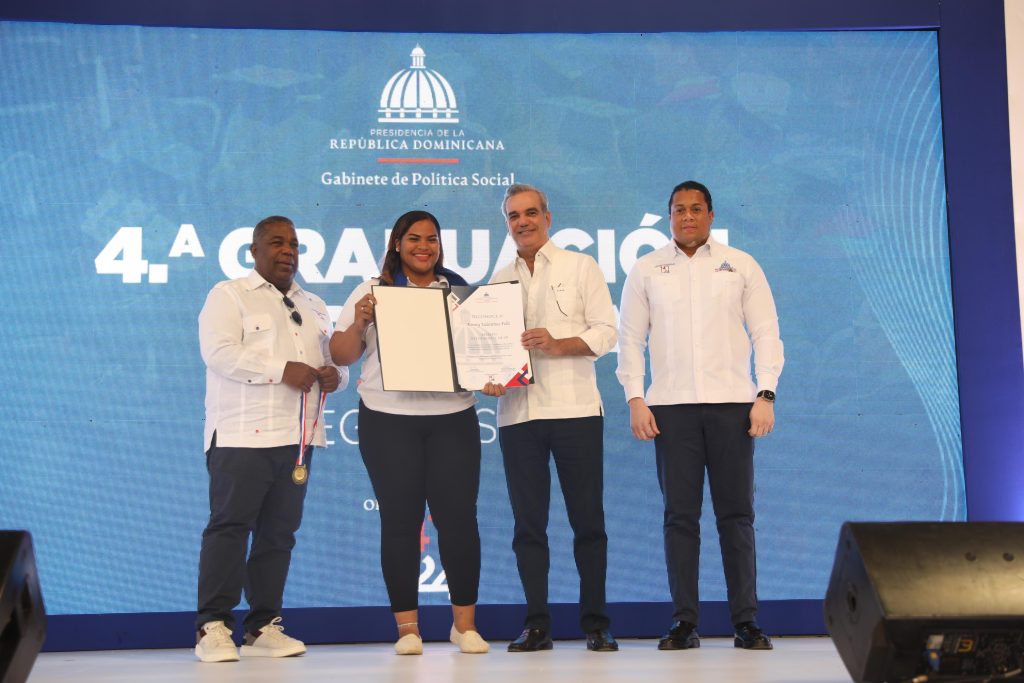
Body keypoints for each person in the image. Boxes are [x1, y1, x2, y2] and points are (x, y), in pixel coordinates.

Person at [616, 180, 784, 651]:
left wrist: (765, 393)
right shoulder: (648, 269)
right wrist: (635, 397)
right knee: (679, 518)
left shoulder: (741, 265)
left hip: (733, 405)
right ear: (668, 217)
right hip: (670, 409)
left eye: (696, 209)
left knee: (736, 516)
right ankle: (684, 622)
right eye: (678, 210)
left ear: (710, 215)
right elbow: (630, 340)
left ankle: (746, 621)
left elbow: (766, 333)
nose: (687, 217)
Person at [329, 210, 489, 656]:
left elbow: (485, 355)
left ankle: (464, 626)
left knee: (459, 520)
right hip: (387, 418)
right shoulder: (372, 290)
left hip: (452, 416)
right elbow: (340, 354)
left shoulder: (460, 292)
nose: (424, 246)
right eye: (414, 238)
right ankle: (408, 630)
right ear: (397, 243)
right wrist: (361, 321)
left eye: (432, 239)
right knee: (400, 521)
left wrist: (497, 375)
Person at [195, 215, 347, 663]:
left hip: (297, 437)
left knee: (279, 535)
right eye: (277, 243)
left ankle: (262, 626)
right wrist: (282, 371)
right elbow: (219, 353)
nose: (288, 251)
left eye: (294, 245)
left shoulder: (315, 304)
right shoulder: (229, 295)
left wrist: (334, 375)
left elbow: (331, 361)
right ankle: (213, 626)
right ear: (254, 251)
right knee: (229, 528)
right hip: (242, 434)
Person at [483, 184, 619, 653]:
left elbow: (606, 331)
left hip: (575, 410)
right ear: (508, 223)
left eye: (530, 213)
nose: (523, 222)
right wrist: (488, 376)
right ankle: (537, 624)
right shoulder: (497, 281)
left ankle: (596, 623)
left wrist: (559, 344)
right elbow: (487, 352)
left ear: (548, 216)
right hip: (518, 415)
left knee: (588, 522)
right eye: (513, 216)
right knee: (528, 527)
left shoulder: (581, 266)